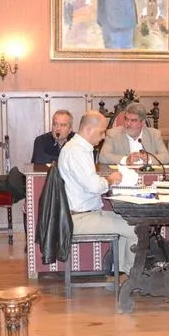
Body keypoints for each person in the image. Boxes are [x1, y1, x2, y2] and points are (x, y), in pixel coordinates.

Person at [58, 111, 137, 273]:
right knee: (136, 228)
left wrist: (107, 182)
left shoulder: (79, 149)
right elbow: (94, 186)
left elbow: (90, 183)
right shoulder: (76, 152)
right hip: (78, 219)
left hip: (85, 213)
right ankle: (132, 276)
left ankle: (122, 270)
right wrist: (110, 180)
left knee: (131, 220)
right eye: (101, 132)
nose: (103, 137)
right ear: (88, 130)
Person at [98, 103, 169, 165]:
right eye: (126, 119)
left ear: (142, 122)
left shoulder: (154, 134)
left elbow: (166, 157)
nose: (128, 124)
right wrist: (126, 160)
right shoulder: (112, 134)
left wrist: (149, 159)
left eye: (133, 120)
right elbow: (103, 157)